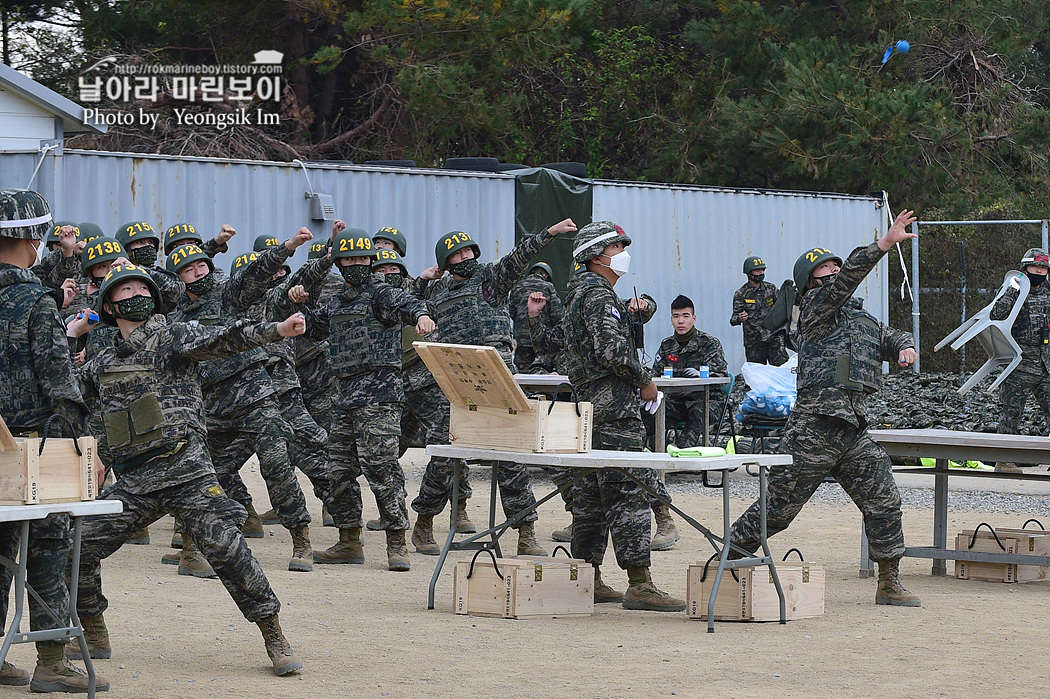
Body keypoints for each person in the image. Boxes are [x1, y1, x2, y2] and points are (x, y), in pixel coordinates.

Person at [67, 262, 306, 676]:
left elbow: (225, 337)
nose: (137, 294)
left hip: (187, 471)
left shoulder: (172, 337)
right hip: (136, 481)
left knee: (229, 550)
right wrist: (71, 336)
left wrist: (276, 330)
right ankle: (92, 629)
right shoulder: (103, 360)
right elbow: (66, 390)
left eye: (143, 287)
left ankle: (274, 634)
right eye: (126, 291)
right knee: (78, 546)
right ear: (108, 305)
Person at [728, 210, 922, 608]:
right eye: (824, 268)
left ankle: (889, 581)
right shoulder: (815, 309)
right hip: (814, 428)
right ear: (809, 282)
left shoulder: (859, 317)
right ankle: (728, 559)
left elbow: (889, 335)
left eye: (835, 264)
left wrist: (904, 346)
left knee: (884, 499)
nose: (834, 270)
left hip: (852, 429)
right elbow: (848, 279)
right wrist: (882, 245)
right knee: (779, 509)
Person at [528, 221, 686, 611]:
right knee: (627, 492)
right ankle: (639, 583)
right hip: (614, 410)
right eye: (617, 247)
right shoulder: (598, 296)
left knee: (592, 499)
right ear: (597, 254)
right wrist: (643, 379)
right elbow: (611, 352)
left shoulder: (578, 294)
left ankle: (588, 577)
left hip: (588, 409)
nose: (622, 253)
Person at [408, 220, 578, 557]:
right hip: (458, 378)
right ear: (445, 263)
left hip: (498, 374)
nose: (467, 257)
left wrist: (548, 233)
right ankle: (424, 520)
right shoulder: (437, 292)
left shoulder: (490, 279)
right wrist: (421, 286)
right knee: (444, 454)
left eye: (470, 250)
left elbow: (518, 257)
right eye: (458, 254)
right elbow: (407, 302)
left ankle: (526, 532)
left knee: (513, 455)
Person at [274, 228, 435, 571]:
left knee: (382, 468)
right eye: (350, 260)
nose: (357, 265)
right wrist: (298, 302)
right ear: (339, 264)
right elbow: (311, 326)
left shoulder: (381, 294)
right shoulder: (336, 303)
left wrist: (421, 316)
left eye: (363, 259)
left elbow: (408, 305)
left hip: (379, 397)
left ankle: (397, 543)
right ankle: (349, 540)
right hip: (343, 397)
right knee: (339, 472)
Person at [0, 188, 108, 692]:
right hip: (36, 450)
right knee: (48, 548)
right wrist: (86, 450)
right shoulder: (34, 303)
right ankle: (50, 660)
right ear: (32, 238)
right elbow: (60, 386)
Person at [166, 236, 315, 571]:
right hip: (213, 404)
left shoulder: (227, 295)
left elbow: (255, 274)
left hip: (254, 394)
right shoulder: (175, 317)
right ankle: (194, 546)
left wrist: (287, 248)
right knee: (202, 475)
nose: (198, 273)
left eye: (202, 265)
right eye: (189, 270)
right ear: (178, 278)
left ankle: (301, 541)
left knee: (276, 467)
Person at [989, 248, 1050, 473]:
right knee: (1012, 411)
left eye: (1043, 268)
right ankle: (1004, 461)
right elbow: (996, 314)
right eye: (1036, 267)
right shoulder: (1012, 289)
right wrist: (1011, 291)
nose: (1040, 271)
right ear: (1025, 268)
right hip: (1020, 361)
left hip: (1046, 362)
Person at [645, 295, 729, 450]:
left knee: (698, 412)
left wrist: (701, 376)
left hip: (706, 400)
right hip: (676, 401)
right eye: (676, 316)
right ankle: (654, 453)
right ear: (671, 319)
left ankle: (682, 455)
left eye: (685, 316)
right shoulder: (667, 345)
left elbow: (722, 377)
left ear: (694, 318)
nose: (681, 321)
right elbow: (655, 376)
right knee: (649, 411)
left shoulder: (709, 343)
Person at [731, 255, 788, 366]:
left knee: (781, 369)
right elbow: (733, 319)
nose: (761, 273)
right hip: (754, 342)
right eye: (757, 270)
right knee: (756, 373)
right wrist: (739, 318)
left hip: (774, 339)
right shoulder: (741, 293)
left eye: (762, 270)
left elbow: (781, 309)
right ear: (748, 273)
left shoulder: (771, 289)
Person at [508, 262, 564, 372]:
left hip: (522, 341)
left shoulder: (517, 287)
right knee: (541, 379)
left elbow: (512, 313)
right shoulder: (548, 287)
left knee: (524, 378)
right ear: (546, 275)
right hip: (542, 343)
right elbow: (556, 316)